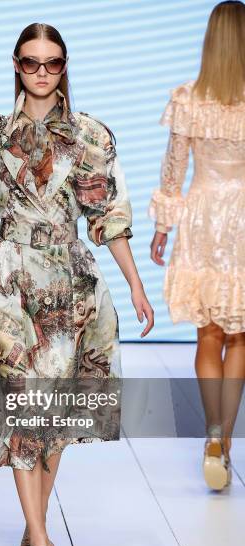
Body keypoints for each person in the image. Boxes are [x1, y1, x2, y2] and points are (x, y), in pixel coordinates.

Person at [0, 22, 154, 546]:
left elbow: (107, 216)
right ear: (15, 65)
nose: (42, 72)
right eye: (32, 62)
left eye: (52, 63)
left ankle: (31, 518)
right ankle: (41, 543)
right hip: (7, 282)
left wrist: (136, 285)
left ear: (65, 67)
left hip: (67, 284)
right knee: (25, 408)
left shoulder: (89, 135)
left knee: (53, 415)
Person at [148, 1, 245, 491]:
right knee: (242, 338)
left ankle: (210, 436)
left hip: (204, 216)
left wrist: (163, 226)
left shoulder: (189, 98)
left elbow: (174, 168)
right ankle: (225, 444)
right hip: (243, 220)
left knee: (208, 334)